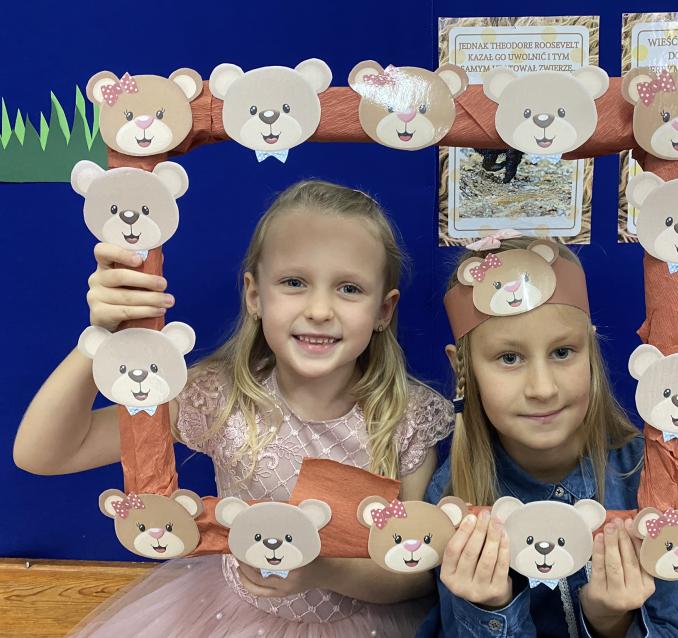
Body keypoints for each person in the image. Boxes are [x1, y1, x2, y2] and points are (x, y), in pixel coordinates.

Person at [14, 180, 453, 638]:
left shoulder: (406, 418)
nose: (320, 309)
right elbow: (44, 453)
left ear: (384, 310)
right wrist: (100, 338)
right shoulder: (218, 400)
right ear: (254, 295)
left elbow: (416, 574)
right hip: (228, 618)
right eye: (294, 282)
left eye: (349, 288)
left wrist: (323, 570)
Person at [417, 238, 678, 637]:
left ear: (590, 350)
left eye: (563, 352)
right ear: (463, 368)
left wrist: (612, 623)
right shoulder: (452, 494)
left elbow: (671, 627)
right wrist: (489, 610)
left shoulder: (647, 475)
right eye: (509, 358)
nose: (543, 389)